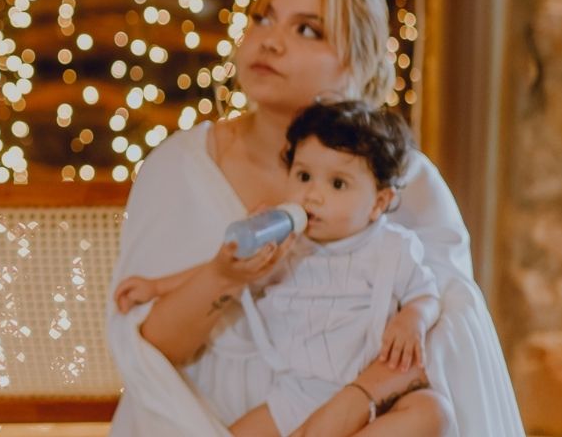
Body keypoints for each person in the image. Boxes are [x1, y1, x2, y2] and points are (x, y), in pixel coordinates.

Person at [106, 0, 524, 436]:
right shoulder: (180, 167)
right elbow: (152, 351)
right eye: (263, 18)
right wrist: (224, 276)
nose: (270, 41)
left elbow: (446, 343)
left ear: (361, 61)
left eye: (308, 30)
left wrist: (352, 402)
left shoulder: (405, 181)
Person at [115, 100, 449, 437]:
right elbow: (226, 267)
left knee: (431, 413)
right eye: (303, 176)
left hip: (374, 390)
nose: (313, 195)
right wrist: (157, 286)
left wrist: (412, 319)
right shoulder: (287, 246)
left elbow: (426, 294)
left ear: (378, 202)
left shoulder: (393, 248)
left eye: (337, 184)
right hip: (297, 394)